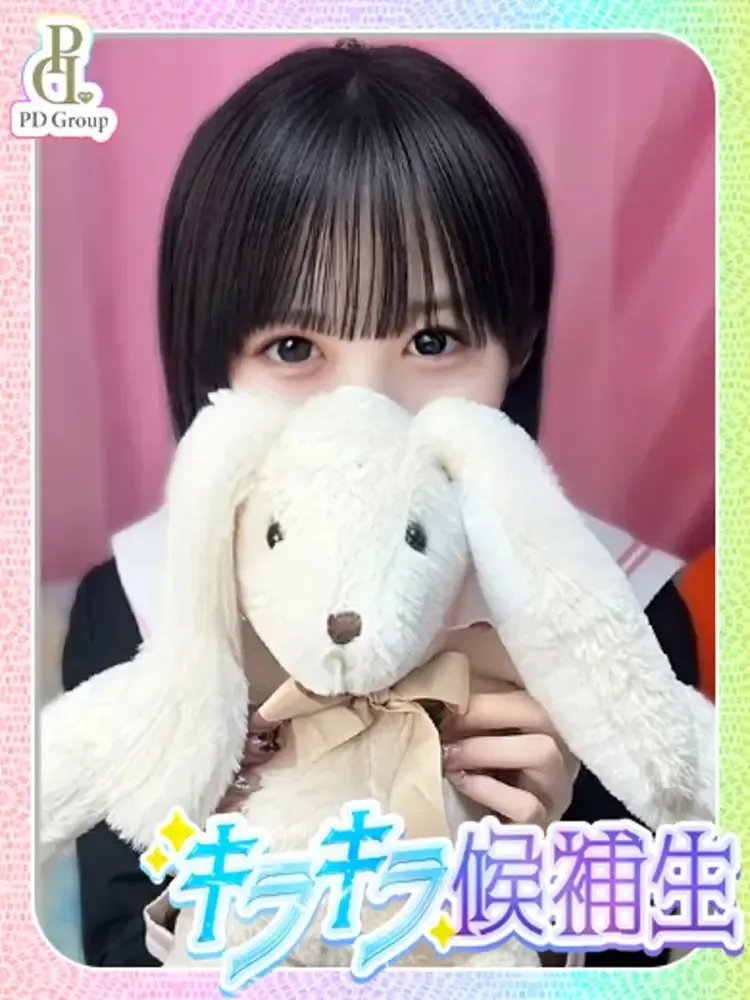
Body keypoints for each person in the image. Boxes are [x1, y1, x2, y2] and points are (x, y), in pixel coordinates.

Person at [61, 39, 702, 969]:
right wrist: (200, 833)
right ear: (215, 367)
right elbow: (108, 952)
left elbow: (672, 943)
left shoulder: (624, 611)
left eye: (432, 339)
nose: (364, 407)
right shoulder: (136, 605)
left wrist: (547, 861)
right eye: (293, 348)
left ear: (518, 343)